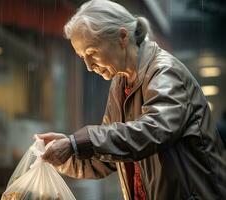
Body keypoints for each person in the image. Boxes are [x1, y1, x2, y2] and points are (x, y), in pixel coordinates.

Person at [37, 0, 226, 199]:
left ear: (122, 37)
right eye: (83, 57)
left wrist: (79, 142)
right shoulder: (120, 83)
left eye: (92, 53)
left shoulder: (165, 72)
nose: (89, 66)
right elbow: (107, 157)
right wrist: (66, 154)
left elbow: (154, 131)